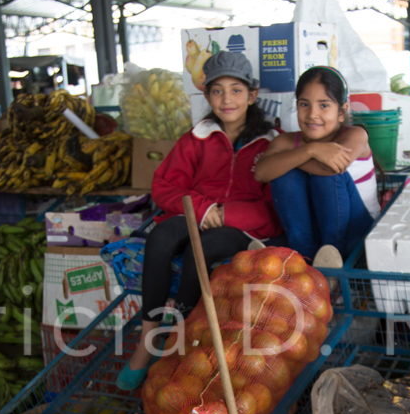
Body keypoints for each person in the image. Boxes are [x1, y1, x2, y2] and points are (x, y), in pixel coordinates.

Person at [115, 51, 281, 391]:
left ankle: (180, 333)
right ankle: (148, 337)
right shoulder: (197, 138)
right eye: (217, 91)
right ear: (206, 96)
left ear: (251, 96)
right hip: (196, 212)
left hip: (240, 226)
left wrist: (227, 215)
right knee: (161, 236)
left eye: (236, 90)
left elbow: (274, 206)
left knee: (201, 249)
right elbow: (164, 185)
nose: (227, 99)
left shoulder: (271, 144)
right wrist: (203, 208)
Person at [254, 66, 379, 262]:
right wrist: (310, 150)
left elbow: (330, 169)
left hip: (357, 235)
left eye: (324, 105)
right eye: (304, 104)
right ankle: (304, 259)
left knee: (325, 178)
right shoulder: (288, 141)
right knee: (284, 175)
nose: (312, 114)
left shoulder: (354, 135)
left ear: (341, 111)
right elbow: (261, 172)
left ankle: (333, 263)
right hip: (312, 235)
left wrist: (291, 158)